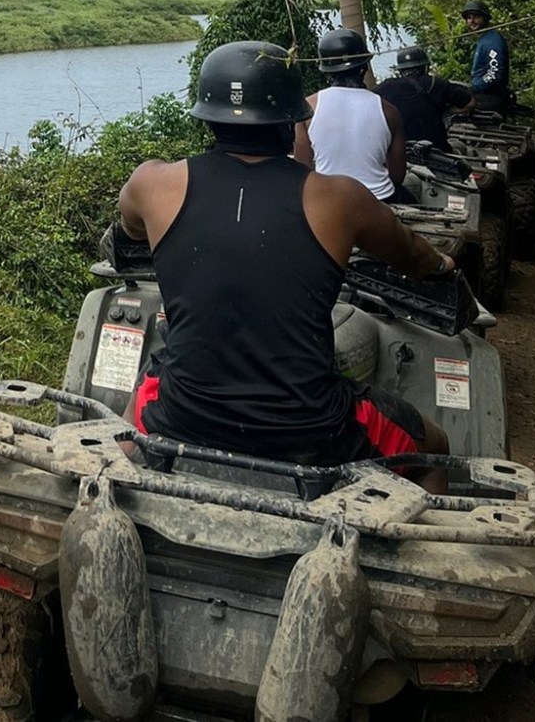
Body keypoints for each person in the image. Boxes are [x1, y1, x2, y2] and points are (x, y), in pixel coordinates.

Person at [118, 40, 452, 491]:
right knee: (434, 448)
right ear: (295, 118)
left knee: (132, 411)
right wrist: (443, 263)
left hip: (183, 414)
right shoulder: (340, 198)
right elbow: (411, 254)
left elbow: (131, 230)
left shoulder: (151, 183)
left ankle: (121, 489)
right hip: (311, 430)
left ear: (205, 114)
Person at [294, 28, 412, 203]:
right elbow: (397, 175)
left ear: (326, 70)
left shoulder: (307, 107)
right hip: (379, 200)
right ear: (364, 67)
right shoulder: (389, 111)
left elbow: (302, 169)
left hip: (328, 201)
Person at [373, 46, 475, 152]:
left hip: (405, 151)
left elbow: (367, 102)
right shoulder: (436, 83)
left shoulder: (388, 87)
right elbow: (470, 103)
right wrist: (446, 110)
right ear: (425, 66)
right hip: (438, 151)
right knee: (465, 149)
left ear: (400, 70)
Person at [461, 0, 511, 113]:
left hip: (489, 97)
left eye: (476, 17)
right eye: (469, 17)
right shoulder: (484, 39)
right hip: (483, 94)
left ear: (485, 18)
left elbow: (495, 72)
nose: (472, 21)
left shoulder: (492, 40)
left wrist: (476, 87)